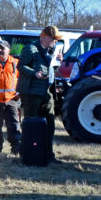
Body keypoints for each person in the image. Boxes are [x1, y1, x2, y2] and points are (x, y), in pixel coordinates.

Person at [17, 25, 61, 162]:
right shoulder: (30, 49)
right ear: (47, 38)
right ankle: (28, 154)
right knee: (32, 124)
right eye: (55, 39)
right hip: (31, 93)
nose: (56, 42)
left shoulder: (51, 52)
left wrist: (58, 61)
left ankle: (48, 155)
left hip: (46, 92)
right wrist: (34, 73)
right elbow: (20, 66)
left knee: (50, 123)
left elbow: (52, 69)